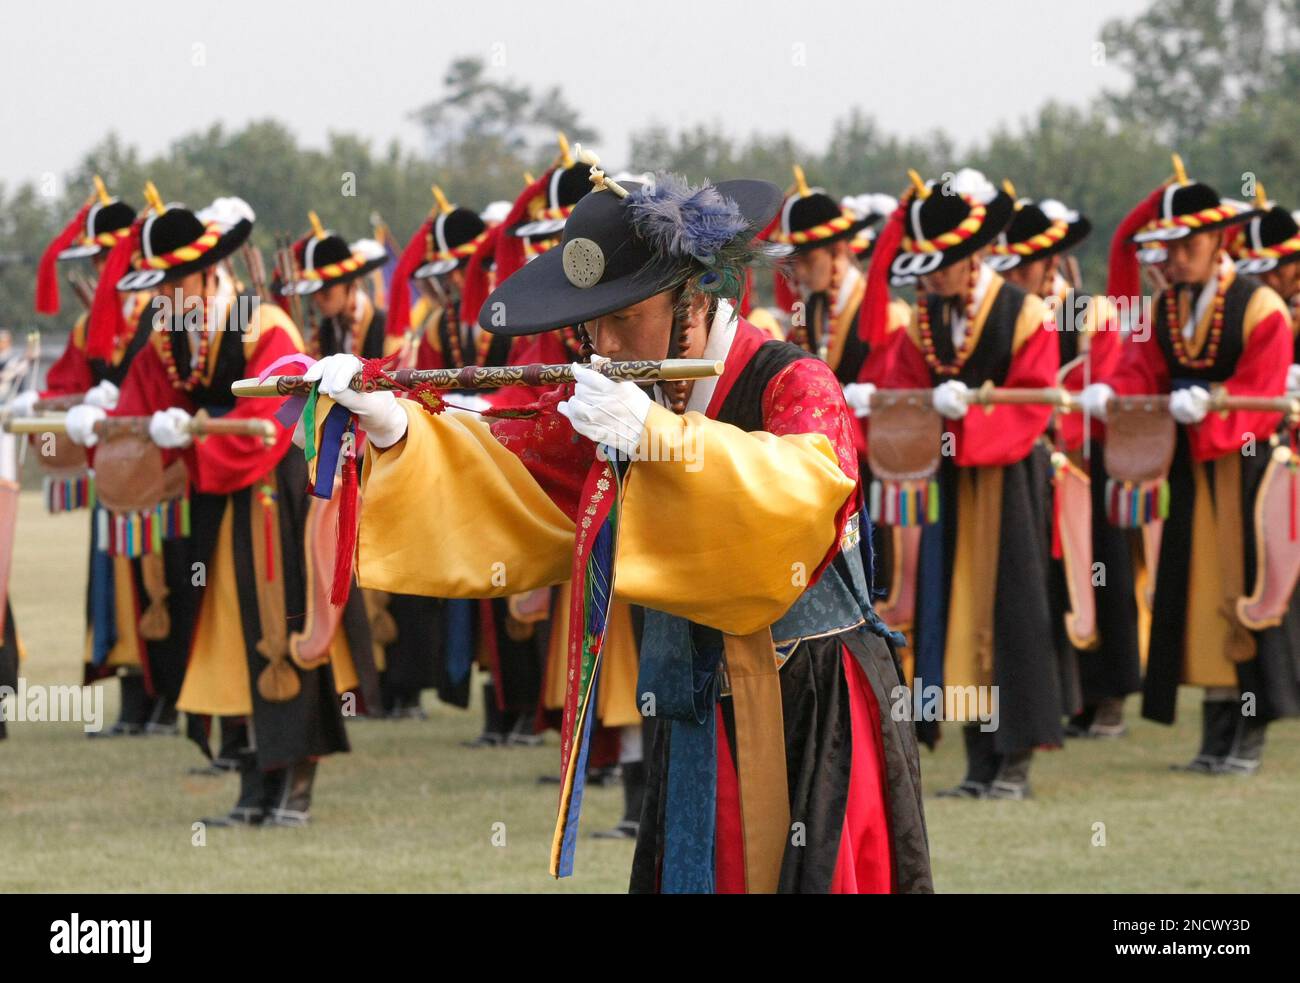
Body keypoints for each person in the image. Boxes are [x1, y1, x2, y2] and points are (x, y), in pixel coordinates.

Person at [307, 163, 932, 893]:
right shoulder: (626, 398)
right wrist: (394, 426)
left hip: (812, 702)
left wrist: (665, 439)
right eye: (591, 322)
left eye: (624, 314)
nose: (602, 342)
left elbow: (804, 493)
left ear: (693, 297)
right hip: (695, 705)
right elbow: (517, 470)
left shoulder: (793, 381)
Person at [64, 190, 349, 825]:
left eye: (168, 284)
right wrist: (101, 423)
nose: (159, 298)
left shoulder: (264, 325)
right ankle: (251, 784)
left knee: (281, 628)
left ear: (202, 274)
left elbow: (271, 419)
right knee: (224, 639)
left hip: (274, 501)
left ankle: (293, 788)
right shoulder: (172, 335)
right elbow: (143, 395)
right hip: (216, 503)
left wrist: (196, 428)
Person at [1082, 158, 1300, 776]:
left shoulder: (1261, 308)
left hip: (1245, 467)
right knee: (1197, 590)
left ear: (1218, 243)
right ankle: (1214, 735)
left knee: (1245, 588)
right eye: (1169, 247)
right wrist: (1114, 393)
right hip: (1190, 465)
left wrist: (1212, 409)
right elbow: (1139, 367)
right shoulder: (1167, 306)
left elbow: (1261, 392)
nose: (1175, 259)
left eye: (1188, 246)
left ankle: (1250, 735)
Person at [864, 168, 1063, 799]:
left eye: (941, 263)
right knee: (953, 614)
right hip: (950, 482)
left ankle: (1017, 761)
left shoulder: (1024, 311)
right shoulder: (925, 316)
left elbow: (1034, 401)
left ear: (972, 254)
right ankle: (980, 761)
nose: (929, 276)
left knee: (1011, 613)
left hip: (1007, 481)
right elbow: (901, 384)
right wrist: (893, 403)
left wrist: (969, 416)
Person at [28, 178, 188, 738]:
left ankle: (168, 699)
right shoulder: (87, 322)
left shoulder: (165, 312)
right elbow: (69, 380)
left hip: (157, 472)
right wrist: (49, 402)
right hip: (112, 471)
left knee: (159, 578)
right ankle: (132, 701)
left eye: (105, 256)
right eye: (95, 260)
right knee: (112, 585)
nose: (99, 269)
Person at [987, 185, 1142, 739]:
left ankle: (1107, 697)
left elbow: (1107, 380)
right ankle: (1059, 695)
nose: (1012, 275)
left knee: (1098, 574)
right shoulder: (1003, 313)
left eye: (1023, 264)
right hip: (1027, 459)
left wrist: (1069, 425)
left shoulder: (1088, 310)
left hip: (1081, 459)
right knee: (1042, 586)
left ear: (1047, 261)